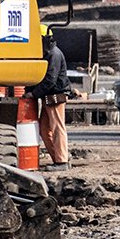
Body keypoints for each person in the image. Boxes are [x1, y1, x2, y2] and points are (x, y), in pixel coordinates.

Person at [25, 24, 72, 170]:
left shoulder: (54, 54)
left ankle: (62, 161)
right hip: (49, 96)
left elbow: (50, 80)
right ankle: (58, 158)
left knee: (57, 128)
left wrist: (33, 93)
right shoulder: (48, 53)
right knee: (45, 130)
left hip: (55, 95)